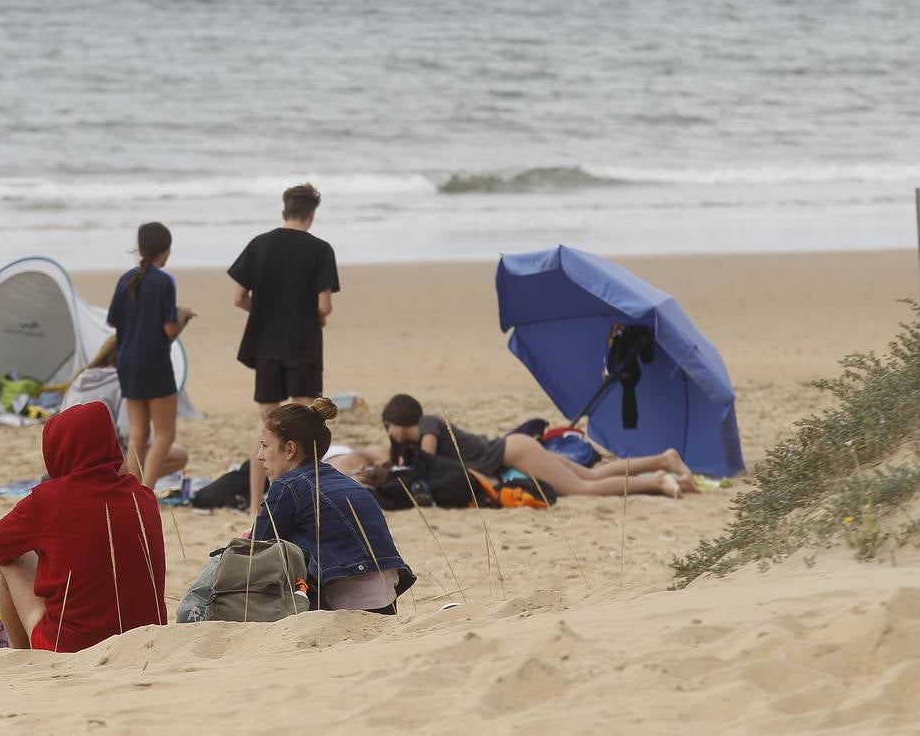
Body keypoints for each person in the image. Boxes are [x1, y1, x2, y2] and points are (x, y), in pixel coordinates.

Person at [0, 401, 167, 652]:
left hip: (71, 647)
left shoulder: (48, 500)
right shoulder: (142, 495)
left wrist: (39, 547)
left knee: (12, 560)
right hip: (147, 641)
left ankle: (20, 656)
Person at [229, 183, 339, 518]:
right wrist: (309, 316)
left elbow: (238, 298)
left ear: (284, 211)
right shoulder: (320, 249)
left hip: (266, 343)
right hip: (303, 341)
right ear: (311, 214)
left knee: (265, 422)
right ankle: (302, 500)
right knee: (305, 420)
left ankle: (253, 504)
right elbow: (325, 306)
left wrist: (266, 311)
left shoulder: (259, 244)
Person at [252, 398, 415, 613]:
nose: (259, 456)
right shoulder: (346, 481)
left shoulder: (287, 486)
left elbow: (254, 551)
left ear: (290, 449)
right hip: (388, 601)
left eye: (265, 446)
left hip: (346, 603)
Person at [380, 394, 692, 499]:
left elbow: (431, 462)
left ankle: (658, 483)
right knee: (591, 476)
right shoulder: (426, 428)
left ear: (398, 418)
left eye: (388, 426)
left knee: (582, 489)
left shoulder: (428, 426)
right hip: (515, 448)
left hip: (515, 451)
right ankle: (663, 460)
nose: (389, 432)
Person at [106, 223, 194, 487]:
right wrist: (182, 316)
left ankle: (131, 492)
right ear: (165, 251)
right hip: (154, 361)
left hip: (126, 361)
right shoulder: (164, 281)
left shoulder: (127, 279)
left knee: (137, 434)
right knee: (165, 434)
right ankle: (146, 490)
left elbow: (113, 321)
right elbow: (169, 329)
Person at [61, 335, 189, 479]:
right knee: (178, 455)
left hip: (67, 462)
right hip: (101, 464)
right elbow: (130, 433)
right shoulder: (124, 383)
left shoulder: (80, 378)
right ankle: (129, 487)